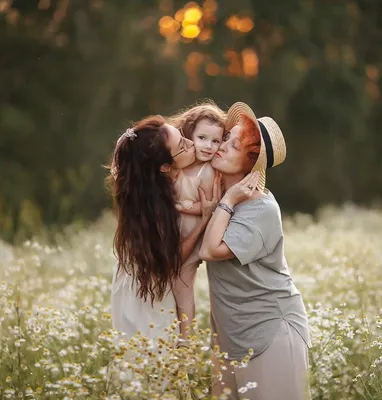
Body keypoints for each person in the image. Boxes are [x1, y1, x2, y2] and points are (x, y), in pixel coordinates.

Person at [200, 102, 311, 400]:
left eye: (232, 145)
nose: (221, 146)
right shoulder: (220, 198)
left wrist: (231, 197)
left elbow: (210, 250)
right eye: (226, 139)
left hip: (271, 333)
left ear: (251, 163)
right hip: (231, 335)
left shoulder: (260, 208)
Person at [108, 115, 218, 341]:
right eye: (182, 145)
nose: (191, 144)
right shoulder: (153, 208)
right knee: (149, 364)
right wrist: (206, 218)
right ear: (165, 166)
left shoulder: (148, 184)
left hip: (145, 287)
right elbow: (172, 260)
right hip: (145, 297)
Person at [167, 102, 225, 339]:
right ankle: (165, 330)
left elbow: (210, 204)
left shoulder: (210, 171)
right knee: (167, 285)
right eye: (202, 138)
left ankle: (185, 339)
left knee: (183, 285)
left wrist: (182, 207)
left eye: (215, 141)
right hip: (172, 233)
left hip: (191, 237)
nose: (209, 146)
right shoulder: (181, 164)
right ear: (189, 135)